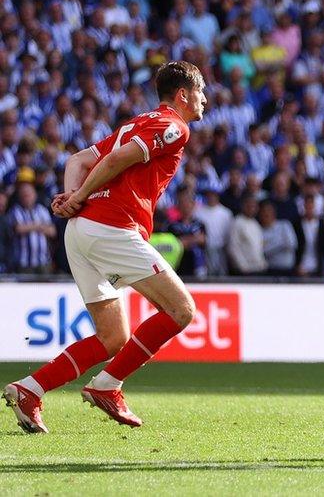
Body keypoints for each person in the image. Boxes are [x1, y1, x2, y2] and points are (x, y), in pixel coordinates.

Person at [3, 61, 207, 433]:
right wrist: (79, 195)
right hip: (112, 227)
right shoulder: (174, 127)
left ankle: (30, 389)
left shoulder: (137, 122)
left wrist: (71, 202)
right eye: (201, 92)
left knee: (113, 336)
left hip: (81, 231)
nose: (204, 100)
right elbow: (116, 160)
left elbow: (78, 159)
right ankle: (108, 385)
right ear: (183, 94)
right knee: (181, 310)